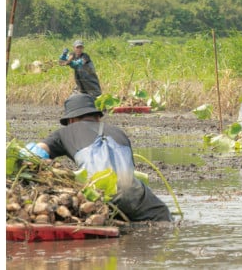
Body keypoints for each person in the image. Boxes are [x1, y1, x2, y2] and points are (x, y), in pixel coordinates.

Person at [22, 93, 173, 222]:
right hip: (136, 194)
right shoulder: (119, 132)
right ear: (97, 118)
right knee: (162, 216)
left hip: (101, 195)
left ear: (71, 120)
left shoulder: (64, 132)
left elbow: (34, 154)